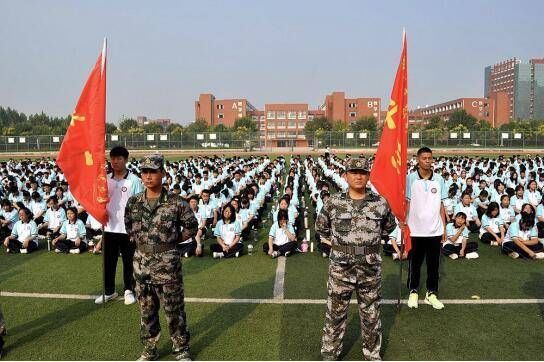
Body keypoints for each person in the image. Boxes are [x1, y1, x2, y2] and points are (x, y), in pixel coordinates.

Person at [315, 158, 395, 361]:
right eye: (353, 172)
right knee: (335, 313)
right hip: (341, 268)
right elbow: (321, 228)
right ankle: (330, 354)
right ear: (346, 175)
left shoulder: (380, 203)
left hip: (370, 268)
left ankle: (372, 355)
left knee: (371, 314)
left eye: (362, 172)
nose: (358, 176)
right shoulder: (333, 202)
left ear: (368, 176)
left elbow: (388, 226)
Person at [124, 154, 198, 361]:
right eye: (144, 172)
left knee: (174, 308)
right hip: (141, 265)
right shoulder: (134, 202)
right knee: (146, 309)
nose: (148, 176)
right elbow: (129, 226)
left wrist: (171, 242)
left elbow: (192, 226)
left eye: (153, 172)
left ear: (163, 174)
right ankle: (150, 349)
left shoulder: (176, 203)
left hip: (167, 265)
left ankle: (181, 348)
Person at [95, 146, 143, 305]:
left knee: (129, 261)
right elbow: (98, 200)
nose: (115, 161)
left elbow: (139, 205)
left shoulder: (134, 180)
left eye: (119, 158)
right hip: (109, 228)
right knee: (108, 261)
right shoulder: (105, 179)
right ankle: (109, 291)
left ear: (126, 160)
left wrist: (135, 227)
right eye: (113, 158)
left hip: (127, 229)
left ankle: (129, 289)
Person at [406, 147, 447, 310]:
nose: (428, 161)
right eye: (424, 158)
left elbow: (442, 205)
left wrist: (444, 227)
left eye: (430, 158)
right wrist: (404, 224)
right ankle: (413, 291)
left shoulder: (439, 179)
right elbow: (407, 203)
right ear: (417, 159)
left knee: (433, 264)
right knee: (414, 263)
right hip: (415, 229)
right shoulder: (410, 179)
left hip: (434, 230)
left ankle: (431, 293)